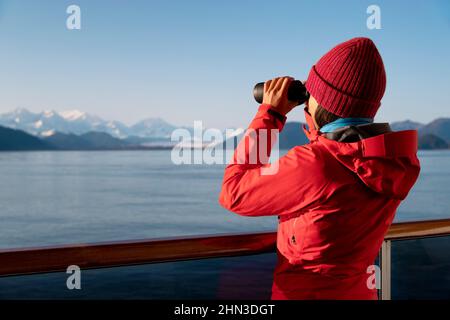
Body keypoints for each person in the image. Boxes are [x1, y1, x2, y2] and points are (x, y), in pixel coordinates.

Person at [218, 37, 421, 300]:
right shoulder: (391, 162)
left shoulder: (316, 163)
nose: (305, 102)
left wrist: (271, 114)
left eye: (310, 94)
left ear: (324, 102)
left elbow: (234, 192)